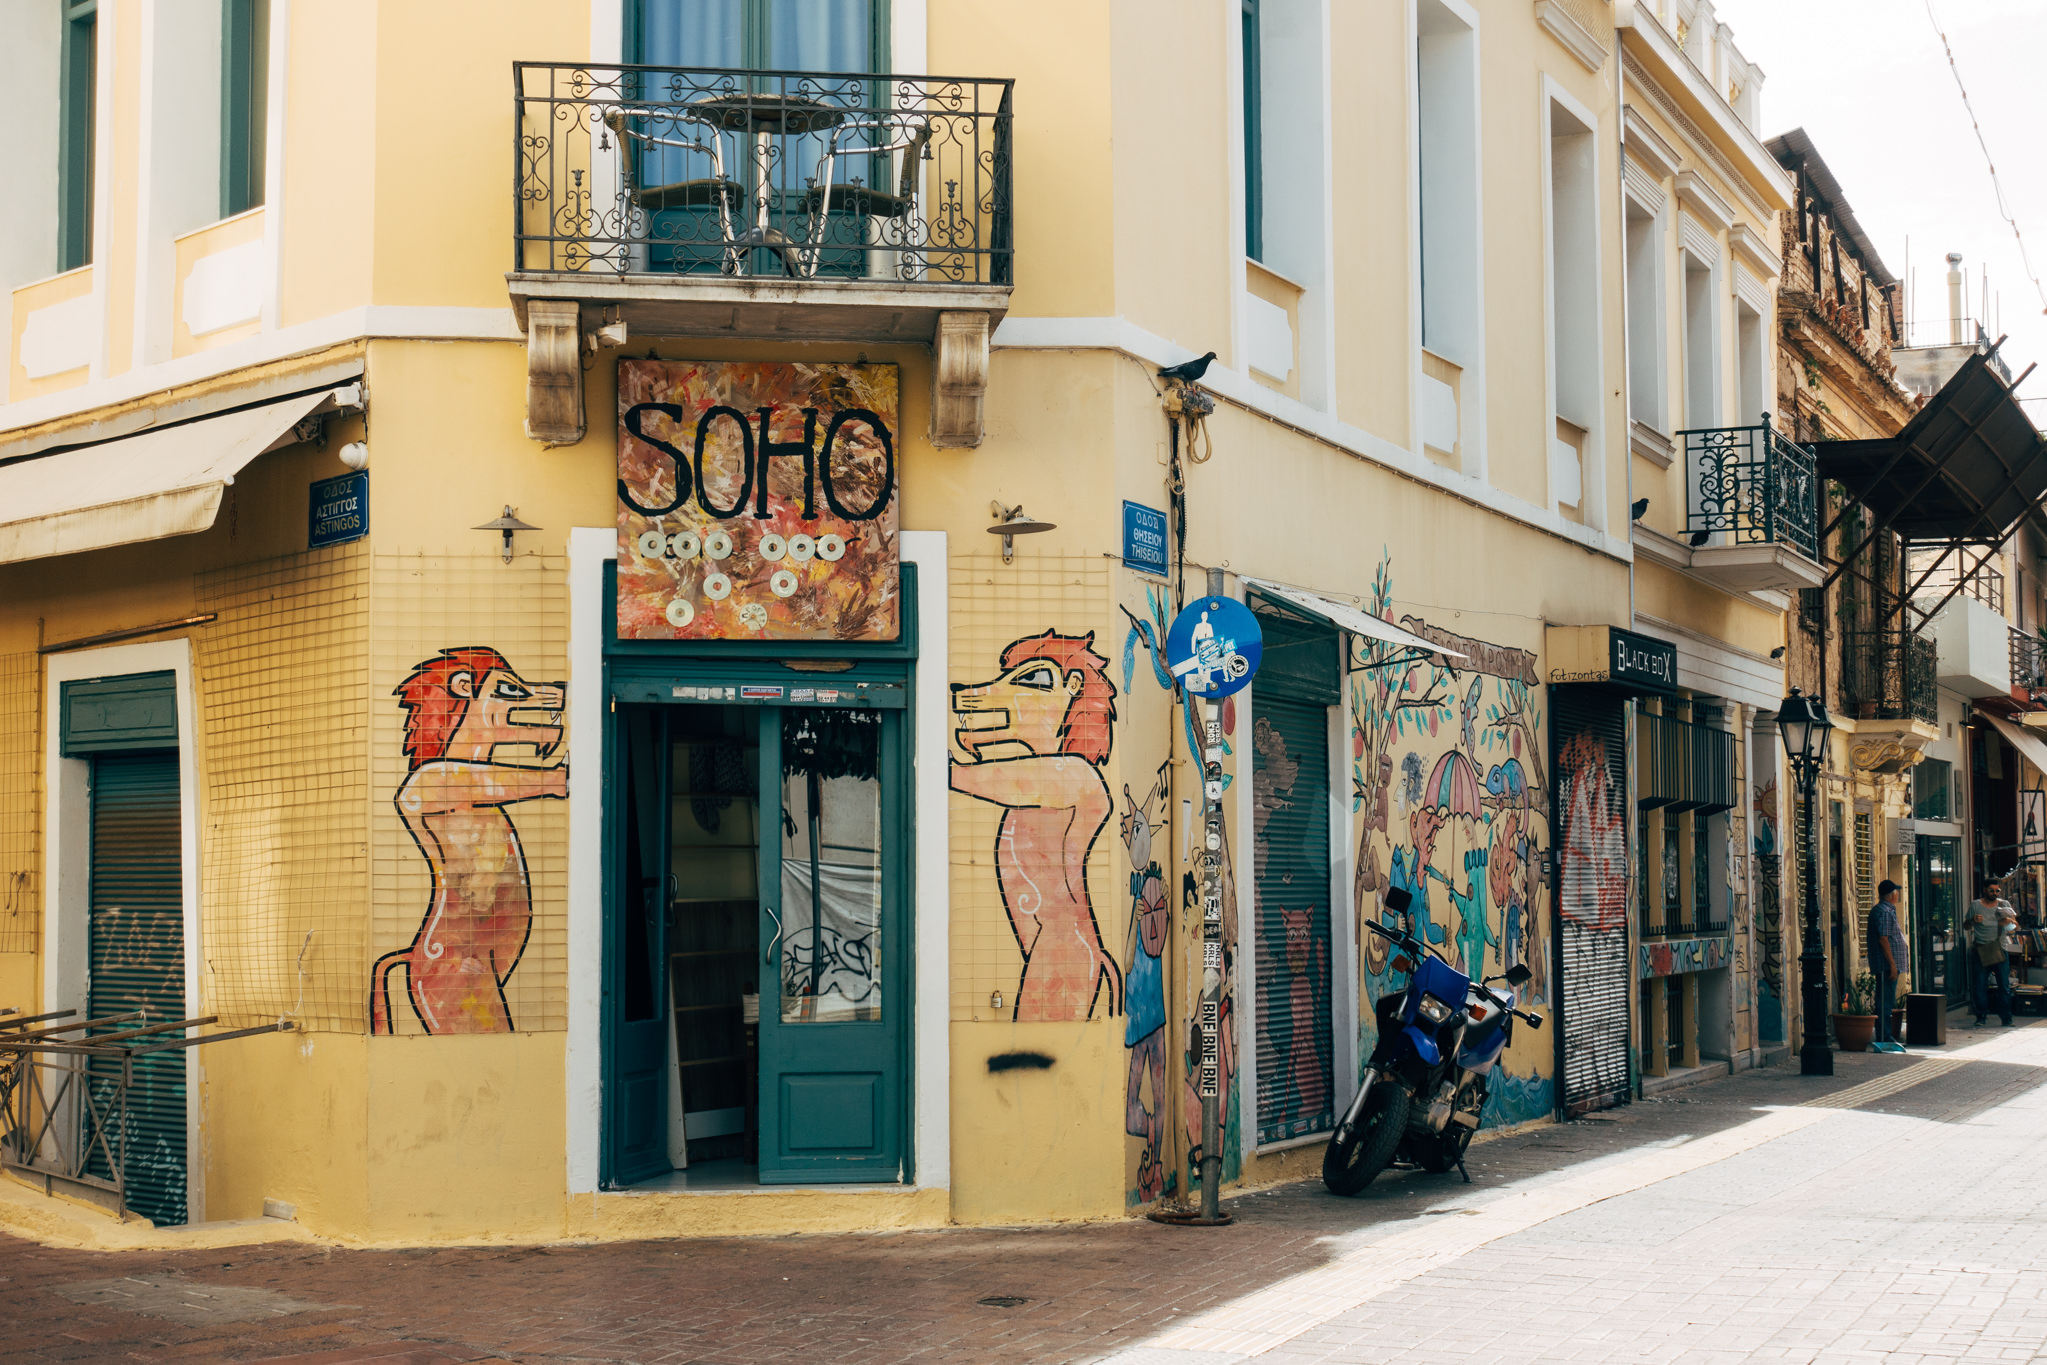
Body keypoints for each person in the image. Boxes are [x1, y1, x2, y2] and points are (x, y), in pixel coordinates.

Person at [1962, 880, 2014, 1028]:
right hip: (1981, 949)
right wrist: (1972, 920)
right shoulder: (1976, 905)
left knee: (2004, 985)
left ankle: (2006, 1018)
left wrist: (2008, 922)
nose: (1995, 894)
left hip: (2000, 949)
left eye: (1997, 891)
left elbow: (2015, 925)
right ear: (1985, 890)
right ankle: (1981, 1016)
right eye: (1992, 890)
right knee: (1980, 985)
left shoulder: (2003, 904)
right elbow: (1965, 926)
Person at [1866, 879, 1910, 1052]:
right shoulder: (1884, 911)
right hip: (1887, 965)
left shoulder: (1885, 910)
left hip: (1889, 964)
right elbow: (1883, 939)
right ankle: (1884, 1036)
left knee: (1886, 999)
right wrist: (1891, 965)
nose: (1898, 895)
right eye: (1896, 892)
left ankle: (1885, 1035)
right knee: (1885, 1000)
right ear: (1891, 894)